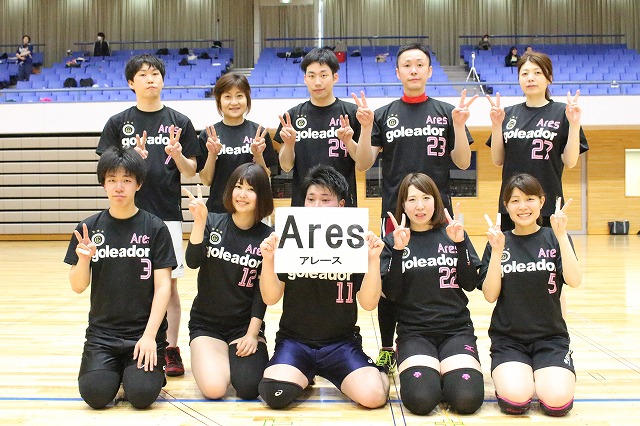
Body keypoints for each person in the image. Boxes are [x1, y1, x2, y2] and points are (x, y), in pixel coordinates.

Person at [354, 42, 477, 373]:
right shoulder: (383, 115)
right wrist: (365, 129)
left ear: (429, 71)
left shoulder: (447, 112)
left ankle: (437, 339)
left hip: (438, 216)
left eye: (419, 64)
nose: (413, 70)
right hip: (395, 217)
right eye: (407, 65)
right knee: (389, 284)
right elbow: (363, 163)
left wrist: (459, 126)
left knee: (432, 277)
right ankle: (386, 348)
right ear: (397, 72)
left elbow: (462, 162)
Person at [96, 54, 201, 377]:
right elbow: (106, 168)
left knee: (169, 286)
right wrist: (133, 159)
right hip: (126, 217)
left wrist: (177, 155)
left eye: (155, 73)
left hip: (166, 213)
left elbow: (191, 170)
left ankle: (170, 347)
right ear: (131, 83)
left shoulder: (180, 121)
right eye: (142, 75)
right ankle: (128, 343)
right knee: (131, 283)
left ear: (163, 80)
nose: (150, 79)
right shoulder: (118, 123)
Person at [257, 165, 389, 409]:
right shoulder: (289, 238)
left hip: (341, 344)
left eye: (325, 200)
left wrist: (372, 260)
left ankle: (374, 371)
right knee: (274, 393)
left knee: (374, 397)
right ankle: (303, 372)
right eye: (311, 199)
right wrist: (268, 260)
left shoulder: (354, 242)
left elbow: (369, 303)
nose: (316, 206)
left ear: (341, 205)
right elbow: (270, 297)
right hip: (295, 342)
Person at [64, 146, 177, 409]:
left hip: (142, 332)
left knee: (142, 395)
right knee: (95, 395)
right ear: (103, 183)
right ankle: (116, 372)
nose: (119, 187)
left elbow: (163, 288)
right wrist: (84, 259)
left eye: (126, 180)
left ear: (138, 184)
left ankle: (141, 373)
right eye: (112, 180)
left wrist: (150, 337)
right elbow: (78, 286)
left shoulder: (155, 227)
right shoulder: (88, 228)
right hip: (102, 335)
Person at [380, 173, 484, 415]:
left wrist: (460, 244)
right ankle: (432, 374)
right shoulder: (393, 241)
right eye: (412, 199)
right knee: (421, 400)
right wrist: (398, 251)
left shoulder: (453, 233)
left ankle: (446, 375)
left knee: (467, 399)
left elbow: (470, 284)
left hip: (456, 330)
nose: (420, 206)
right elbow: (391, 294)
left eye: (426, 198)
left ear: (436, 200)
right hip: (414, 333)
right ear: (402, 204)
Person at [479, 173, 581, 417]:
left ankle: (545, 373)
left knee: (557, 403)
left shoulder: (554, 237)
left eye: (530, 199)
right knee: (515, 400)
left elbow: (574, 280)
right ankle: (523, 375)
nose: (523, 206)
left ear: (542, 201)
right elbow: (490, 295)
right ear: (506, 206)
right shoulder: (499, 241)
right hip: (509, 340)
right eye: (515, 201)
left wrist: (562, 235)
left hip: (551, 338)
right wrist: (496, 252)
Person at [185, 163, 274, 400]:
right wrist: (199, 222)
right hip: (207, 325)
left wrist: (252, 334)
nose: (242, 194)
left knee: (248, 388)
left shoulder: (267, 237)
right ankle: (215, 355)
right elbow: (192, 262)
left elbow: (262, 293)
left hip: (244, 327)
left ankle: (230, 356)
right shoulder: (212, 222)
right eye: (238, 187)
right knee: (215, 389)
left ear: (262, 196)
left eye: (251, 189)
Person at [486, 51, 589, 232]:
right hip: (513, 204)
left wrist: (574, 124)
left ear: (549, 78)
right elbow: (497, 160)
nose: (530, 78)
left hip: (548, 204)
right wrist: (496, 125)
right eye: (524, 73)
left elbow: (570, 161)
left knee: (550, 251)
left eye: (537, 72)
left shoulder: (562, 113)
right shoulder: (508, 114)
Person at [273, 47, 364, 207]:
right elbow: (286, 166)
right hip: (304, 205)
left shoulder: (352, 113)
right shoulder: (292, 116)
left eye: (323, 75)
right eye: (311, 76)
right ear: (305, 79)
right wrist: (289, 144)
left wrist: (349, 142)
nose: (317, 82)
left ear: (335, 77)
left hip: (342, 205)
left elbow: (363, 162)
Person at [198, 72, 278, 213]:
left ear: (247, 99)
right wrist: (212, 154)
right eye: (227, 97)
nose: (234, 102)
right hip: (218, 211)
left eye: (239, 96)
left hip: (252, 211)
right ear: (219, 101)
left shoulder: (259, 133)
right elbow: (206, 180)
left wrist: (258, 155)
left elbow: (265, 178)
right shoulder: (209, 135)